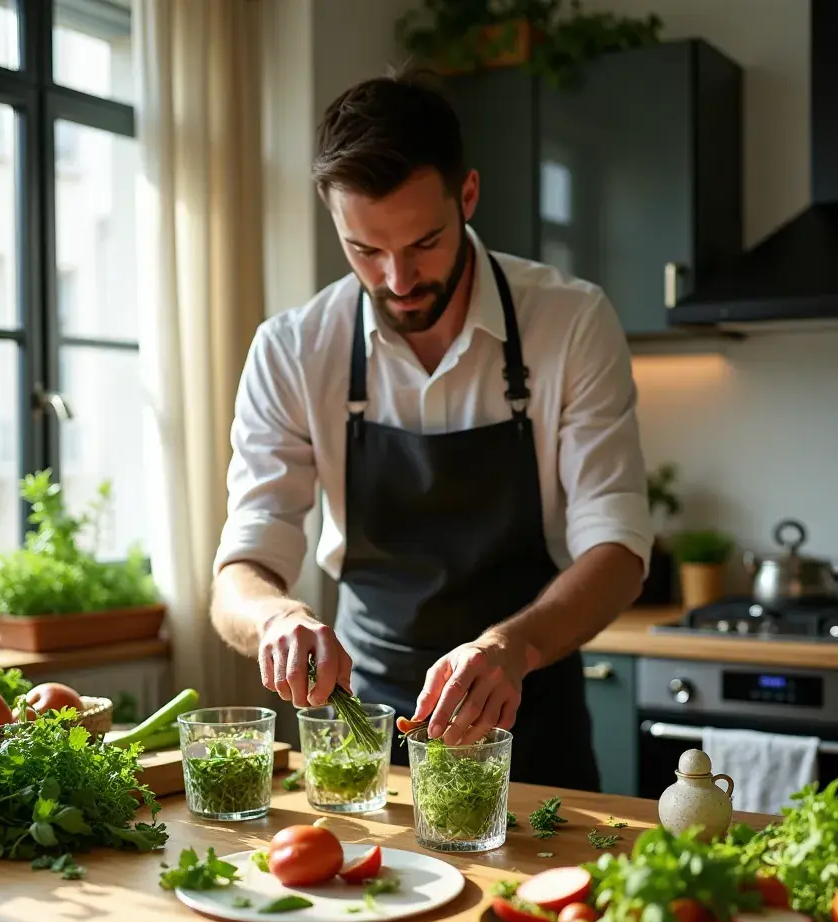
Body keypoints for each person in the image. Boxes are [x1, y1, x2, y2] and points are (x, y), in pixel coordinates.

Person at [210, 71, 652, 791]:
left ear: (468, 195)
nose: (397, 278)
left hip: (532, 718)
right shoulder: (293, 349)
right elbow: (241, 568)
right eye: (365, 251)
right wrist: (276, 619)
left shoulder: (570, 323)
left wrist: (513, 645)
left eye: (424, 242)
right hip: (364, 730)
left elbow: (619, 546)